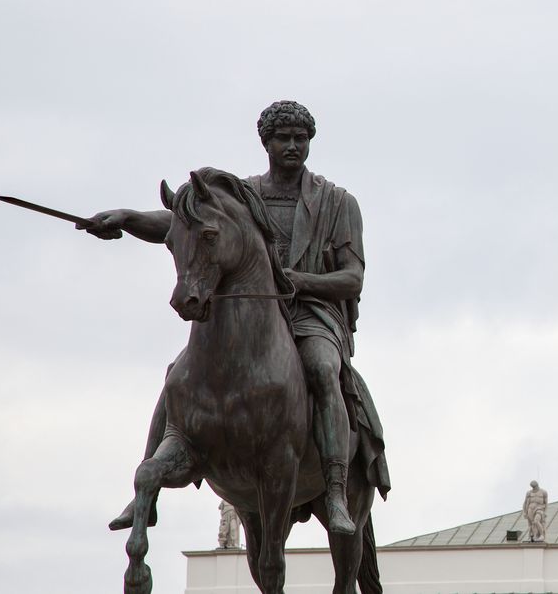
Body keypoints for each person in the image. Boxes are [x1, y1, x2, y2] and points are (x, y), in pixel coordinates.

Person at [83, 101, 388, 535]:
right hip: (245, 318)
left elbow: (352, 278)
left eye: (300, 139)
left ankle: (336, 490)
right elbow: (182, 222)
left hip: (310, 315)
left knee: (322, 368)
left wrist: (297, 280)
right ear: (266, 143)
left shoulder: (338, 202)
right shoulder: (242, 197)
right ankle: (144, 492)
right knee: (178, 373)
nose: (293, 146)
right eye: (283, 138)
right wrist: (127, 218)